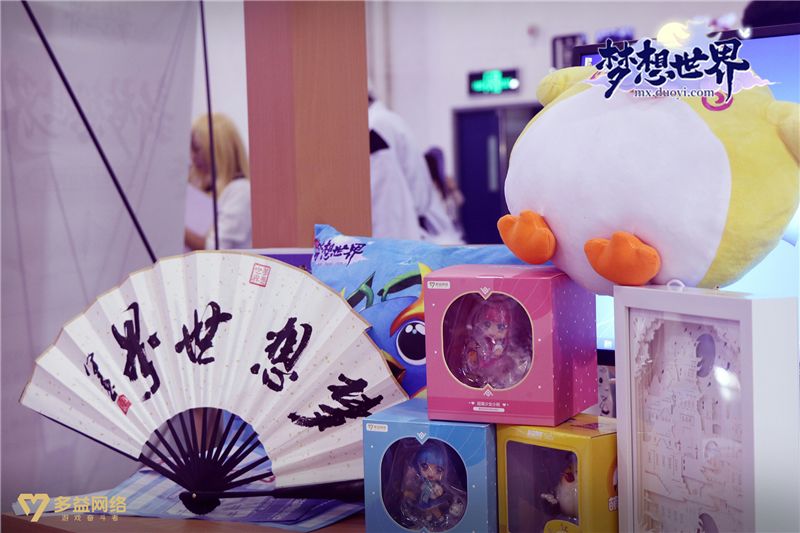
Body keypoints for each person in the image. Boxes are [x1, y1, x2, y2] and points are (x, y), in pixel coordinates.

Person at [368, 93, 463, 244]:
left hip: (404, 224)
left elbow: (385, 196)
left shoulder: (377, 125)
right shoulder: (389, 120)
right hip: (413, 220)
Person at [184, 113, 252, 250]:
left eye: (197, 149)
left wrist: (176, 226)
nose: (192, 157)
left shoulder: (241, 191)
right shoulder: (203, 187)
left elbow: (216, 248)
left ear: (218, 149)